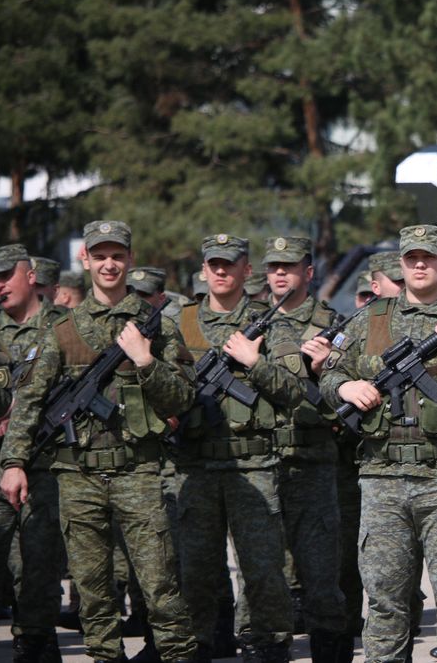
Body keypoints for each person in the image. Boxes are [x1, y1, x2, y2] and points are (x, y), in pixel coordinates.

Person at [0, 221, 198, 663]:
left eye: (118, 256)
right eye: (100, 256)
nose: (110, 264)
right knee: (92, 591)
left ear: (130, 259)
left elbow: (182, 398)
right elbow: (29, 401)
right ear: (85, 260)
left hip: (138, 470)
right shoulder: (62, 329)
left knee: (161, 585)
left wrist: (146, 361)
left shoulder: (156, 326)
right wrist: (13, 462)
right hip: (78, 476)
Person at [321, 224, 437, 663]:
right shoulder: (370, 319)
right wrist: (346, 387)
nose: (420, 265)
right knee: (384, 599)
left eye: (429, 257)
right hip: (382, 477)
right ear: (402, 264)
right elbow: (330, 374)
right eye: (412, 258)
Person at [171, 234, 300, 662]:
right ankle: (200, 641)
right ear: (204, 270)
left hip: (254, 462)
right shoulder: (180, 322)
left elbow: (294, 391)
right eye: (214, 264)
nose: (222, 271)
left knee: (262, 566)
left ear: (247, 270)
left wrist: (254, 362)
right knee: (196, 568)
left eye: (230, 263)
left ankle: (266, 641)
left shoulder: (270, 322)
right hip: (195, 465)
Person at [261, 236, 350, 660]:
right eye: (274, 267)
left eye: (290, 266)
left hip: (314, 463)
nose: (281, 273)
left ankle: (330, 648)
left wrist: (323, 368)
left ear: (309, 272)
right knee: (263, 573)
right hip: (262, 461)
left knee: (321, 573)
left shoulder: (334, 323)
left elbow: (349, 396)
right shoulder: (253, 324)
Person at [0, 244, 70, 662]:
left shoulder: (64, 325)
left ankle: (36, 640)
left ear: (30, 276)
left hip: (48, 462)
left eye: (6, 275)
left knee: (39, 561)